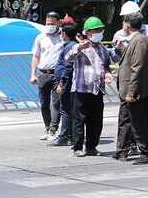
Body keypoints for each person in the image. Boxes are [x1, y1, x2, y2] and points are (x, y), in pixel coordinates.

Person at [112, 1, 148, 152]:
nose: (124, 22)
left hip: (144, 81)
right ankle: (130, 145)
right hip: (127, 80)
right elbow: (116, 58)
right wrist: (119, 49)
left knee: (146, 113)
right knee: (127, 115)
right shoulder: (119, 35)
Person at [61, 17, 113, 157]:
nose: (99, 32)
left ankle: (91, 147)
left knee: (96, 121)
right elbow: (68, 57)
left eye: (101, 30)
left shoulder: (103, 49)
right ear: (88, 32)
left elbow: (106, 66)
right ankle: (77, 147)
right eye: (96, 30)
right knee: (79, 119)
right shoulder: (80, 45)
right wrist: (79, 48)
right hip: (81, 88)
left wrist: (107, 74)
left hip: (97, 89)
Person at [29, 11, 65, 141]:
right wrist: (33, 74)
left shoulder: (63, 37)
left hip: (57, 74)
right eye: (47, 23)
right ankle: (47, 126)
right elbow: (35, 56)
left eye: (52, 23)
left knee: (56, 103)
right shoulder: (40, 37)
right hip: (43, 73)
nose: (49, 25)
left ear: (58, 23)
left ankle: (53, 129)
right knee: (44, 103)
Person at [47, 22, 79, 147]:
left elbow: (67, 67)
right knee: (68, 108)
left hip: (67, 82)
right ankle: (70, 135)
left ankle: (64, 136)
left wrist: (61, 83)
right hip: (69, 81)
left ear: (64, 34)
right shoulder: (73, 45)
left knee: (65, 109)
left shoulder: (69, 47)